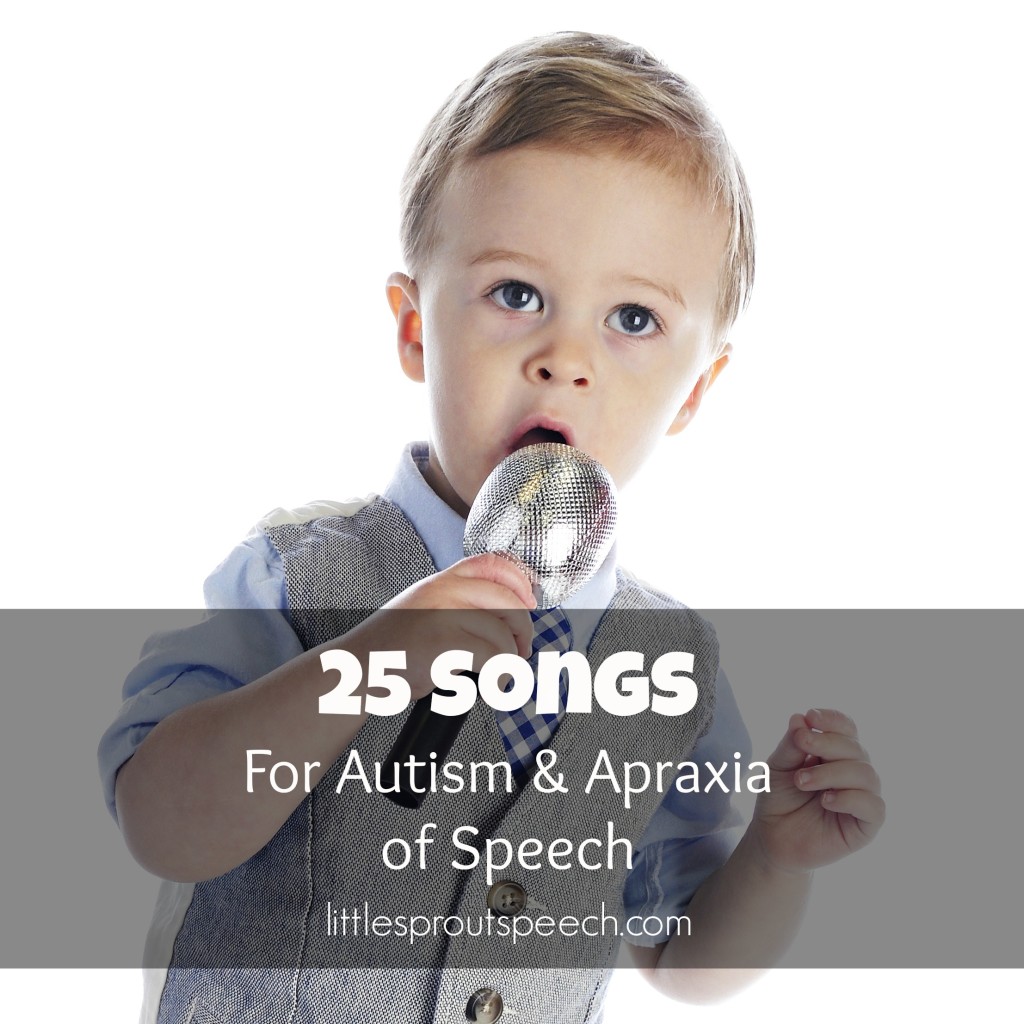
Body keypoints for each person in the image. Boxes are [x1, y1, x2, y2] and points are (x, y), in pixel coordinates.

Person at [99, 31, 884, 1023]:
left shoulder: (669, 662)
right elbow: (162, 824)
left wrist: (775, 857)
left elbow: (682, 956)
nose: (564, 358)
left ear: (696, 390)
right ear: (415, 326)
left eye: (632, 320)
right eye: (517, 296)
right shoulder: (298, 574)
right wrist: (372, 662)